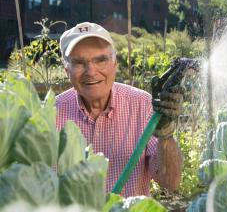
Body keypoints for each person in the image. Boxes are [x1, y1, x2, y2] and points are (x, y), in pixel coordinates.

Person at [55, 22, 183, 197]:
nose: (91, 71)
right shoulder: (51, 114)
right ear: (66, 69)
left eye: (100, 60)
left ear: (114, 64)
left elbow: (170, 182)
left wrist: (166, 135)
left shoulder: (142, 104)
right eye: (78, 62)